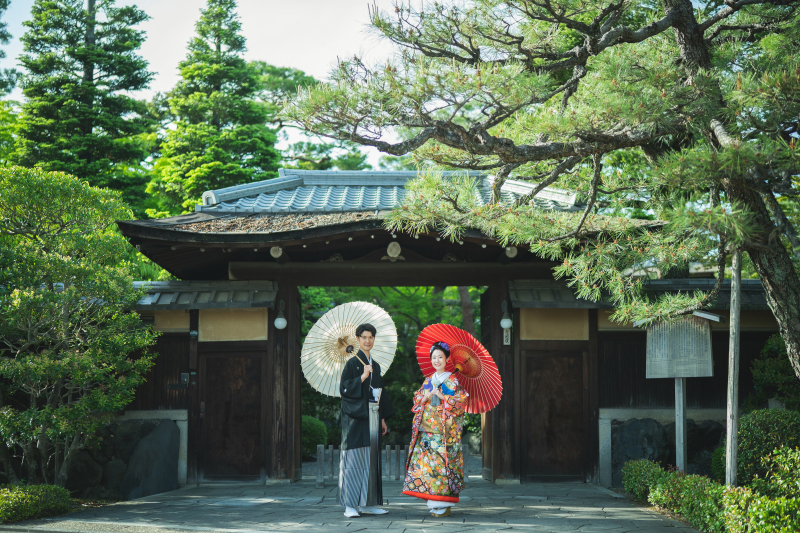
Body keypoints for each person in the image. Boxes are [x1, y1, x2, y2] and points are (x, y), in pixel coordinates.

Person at [402, 341, 469, 517]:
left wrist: (443, 396)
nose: (437, 360)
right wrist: (425, 397)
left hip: (444, 433)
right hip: (426, 431)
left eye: (440, 357)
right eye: (434, 357)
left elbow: (461, 402)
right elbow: (417, 399)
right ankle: (434, 502)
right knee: (429, 467)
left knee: (442, 467)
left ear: (447, 359)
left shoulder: (452, 380)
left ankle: (444, 504)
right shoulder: (428, 380)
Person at [338, 323, 394, 518]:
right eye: (364, 337)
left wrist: (383, 418)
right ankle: (350, 505)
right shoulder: (352, 364)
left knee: (371, 460)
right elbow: (344, 389)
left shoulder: (375, 365)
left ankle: (369, 503)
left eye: (370, 337)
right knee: (354, 460)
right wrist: (362, 376)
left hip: (374, 415)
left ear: (374, 339)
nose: (367, 341)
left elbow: (380, 394)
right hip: (356, 419)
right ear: (358, 339)